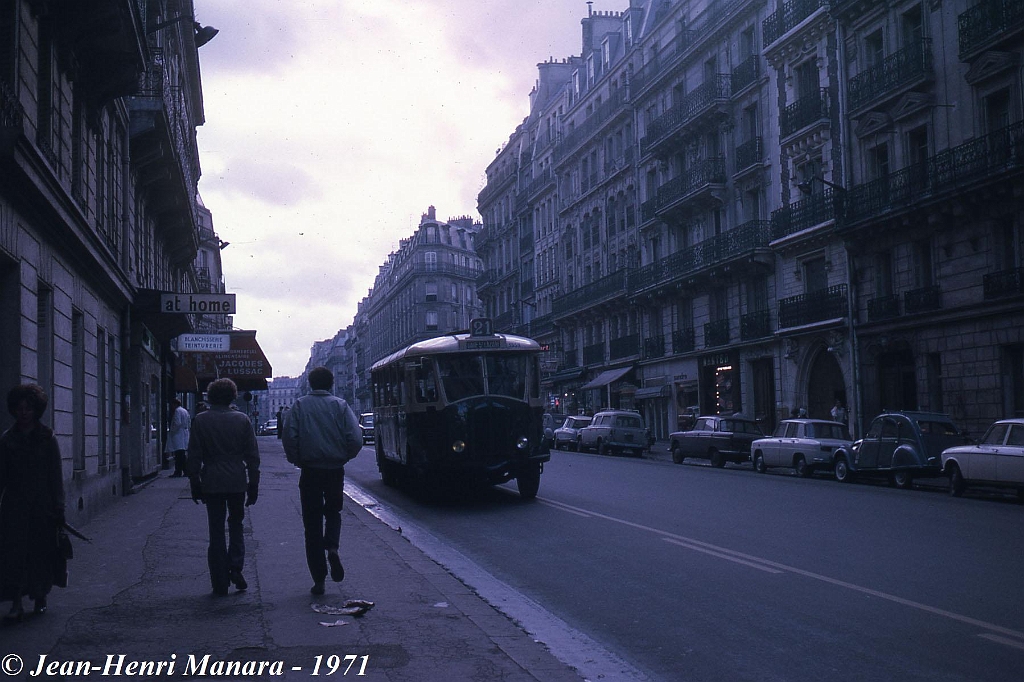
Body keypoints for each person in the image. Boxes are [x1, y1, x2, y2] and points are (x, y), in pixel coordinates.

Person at [283, 367, 362, 596]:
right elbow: (355, 438)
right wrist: (344, 456)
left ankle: (319, 579)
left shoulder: (299, 405)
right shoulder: (340, 405)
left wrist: (297, 459)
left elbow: (289, 437)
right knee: (334, 512)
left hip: (310, 470)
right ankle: (333, 547)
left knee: (311, 523)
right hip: (335, 469)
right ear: (331, 384)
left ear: (310, 383)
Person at [186, 378, 260, 596]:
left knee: (216, 531)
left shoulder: (201, 420)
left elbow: (194, 455)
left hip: (212, 480)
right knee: (236, 525)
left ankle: (219, 580)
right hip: (237, 479)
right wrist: (253, 483)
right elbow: (253, 456)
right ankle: (236, 566)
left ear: (210, 397)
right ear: (233, 396)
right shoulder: (242, 420)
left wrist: (194, 481)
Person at [0, 384, 65, 621]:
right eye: (20, 408)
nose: (24, 413)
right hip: (15, 507)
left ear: (35, 410)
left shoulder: (47, 438)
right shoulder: (8, 440)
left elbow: (55, 475)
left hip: (42, 506)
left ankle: (40, 597)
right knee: (14, 555)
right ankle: (16, 601)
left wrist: (59, 507)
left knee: (40, 553)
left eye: (28, 408)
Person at [165, 398, 191, 477]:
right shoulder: (185, 411)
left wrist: (172, 430)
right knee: (181, 454)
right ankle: (183, 470)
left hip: (178, 435)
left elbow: (177, 423)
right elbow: (189, 423)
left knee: (179, 455)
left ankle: (179, 471)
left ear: (175, 404)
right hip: (184, 434)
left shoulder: (177, 411)